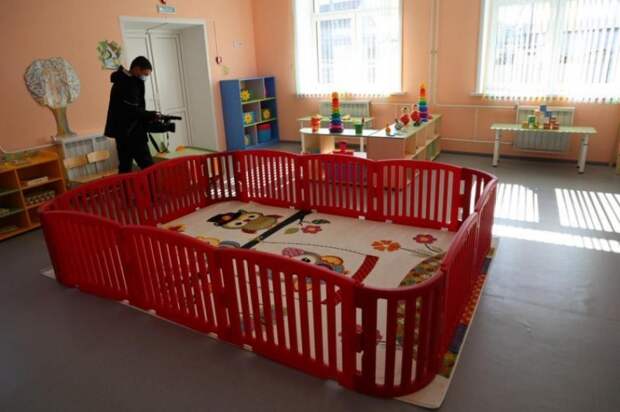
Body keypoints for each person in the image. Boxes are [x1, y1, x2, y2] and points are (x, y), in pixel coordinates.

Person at [104, 56, 158, 173]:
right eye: (145, 74)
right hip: (132, 132)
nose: (145, 77)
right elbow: (132, 110)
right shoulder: (127, 84)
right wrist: (150, 115)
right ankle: (152, 186)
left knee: (125, 167)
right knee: (148, 167)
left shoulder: (123, 80)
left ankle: (125, 186)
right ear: (137, 69)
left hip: (122, 133)